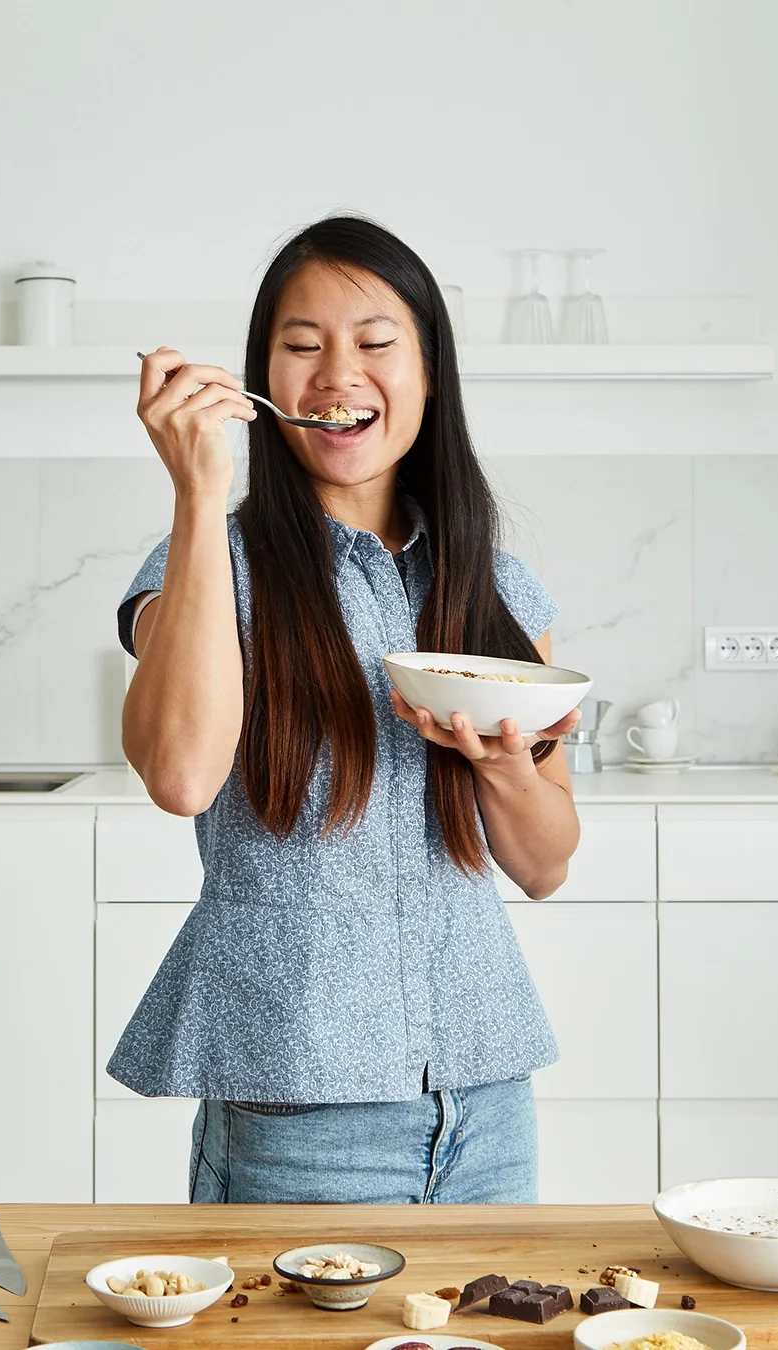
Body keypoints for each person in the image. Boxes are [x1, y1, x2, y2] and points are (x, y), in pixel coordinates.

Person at [111, 216, 582, 1203]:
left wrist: (501, 767)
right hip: (299, 1100)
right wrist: (199, 495)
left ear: (429, 374)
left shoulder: (496, 588)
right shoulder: (208, 566)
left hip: (485, 1098)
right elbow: (180, 776)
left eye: (374, 343)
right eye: (299, 347)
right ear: (260, 382)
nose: (336, 376)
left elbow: (544, 863)